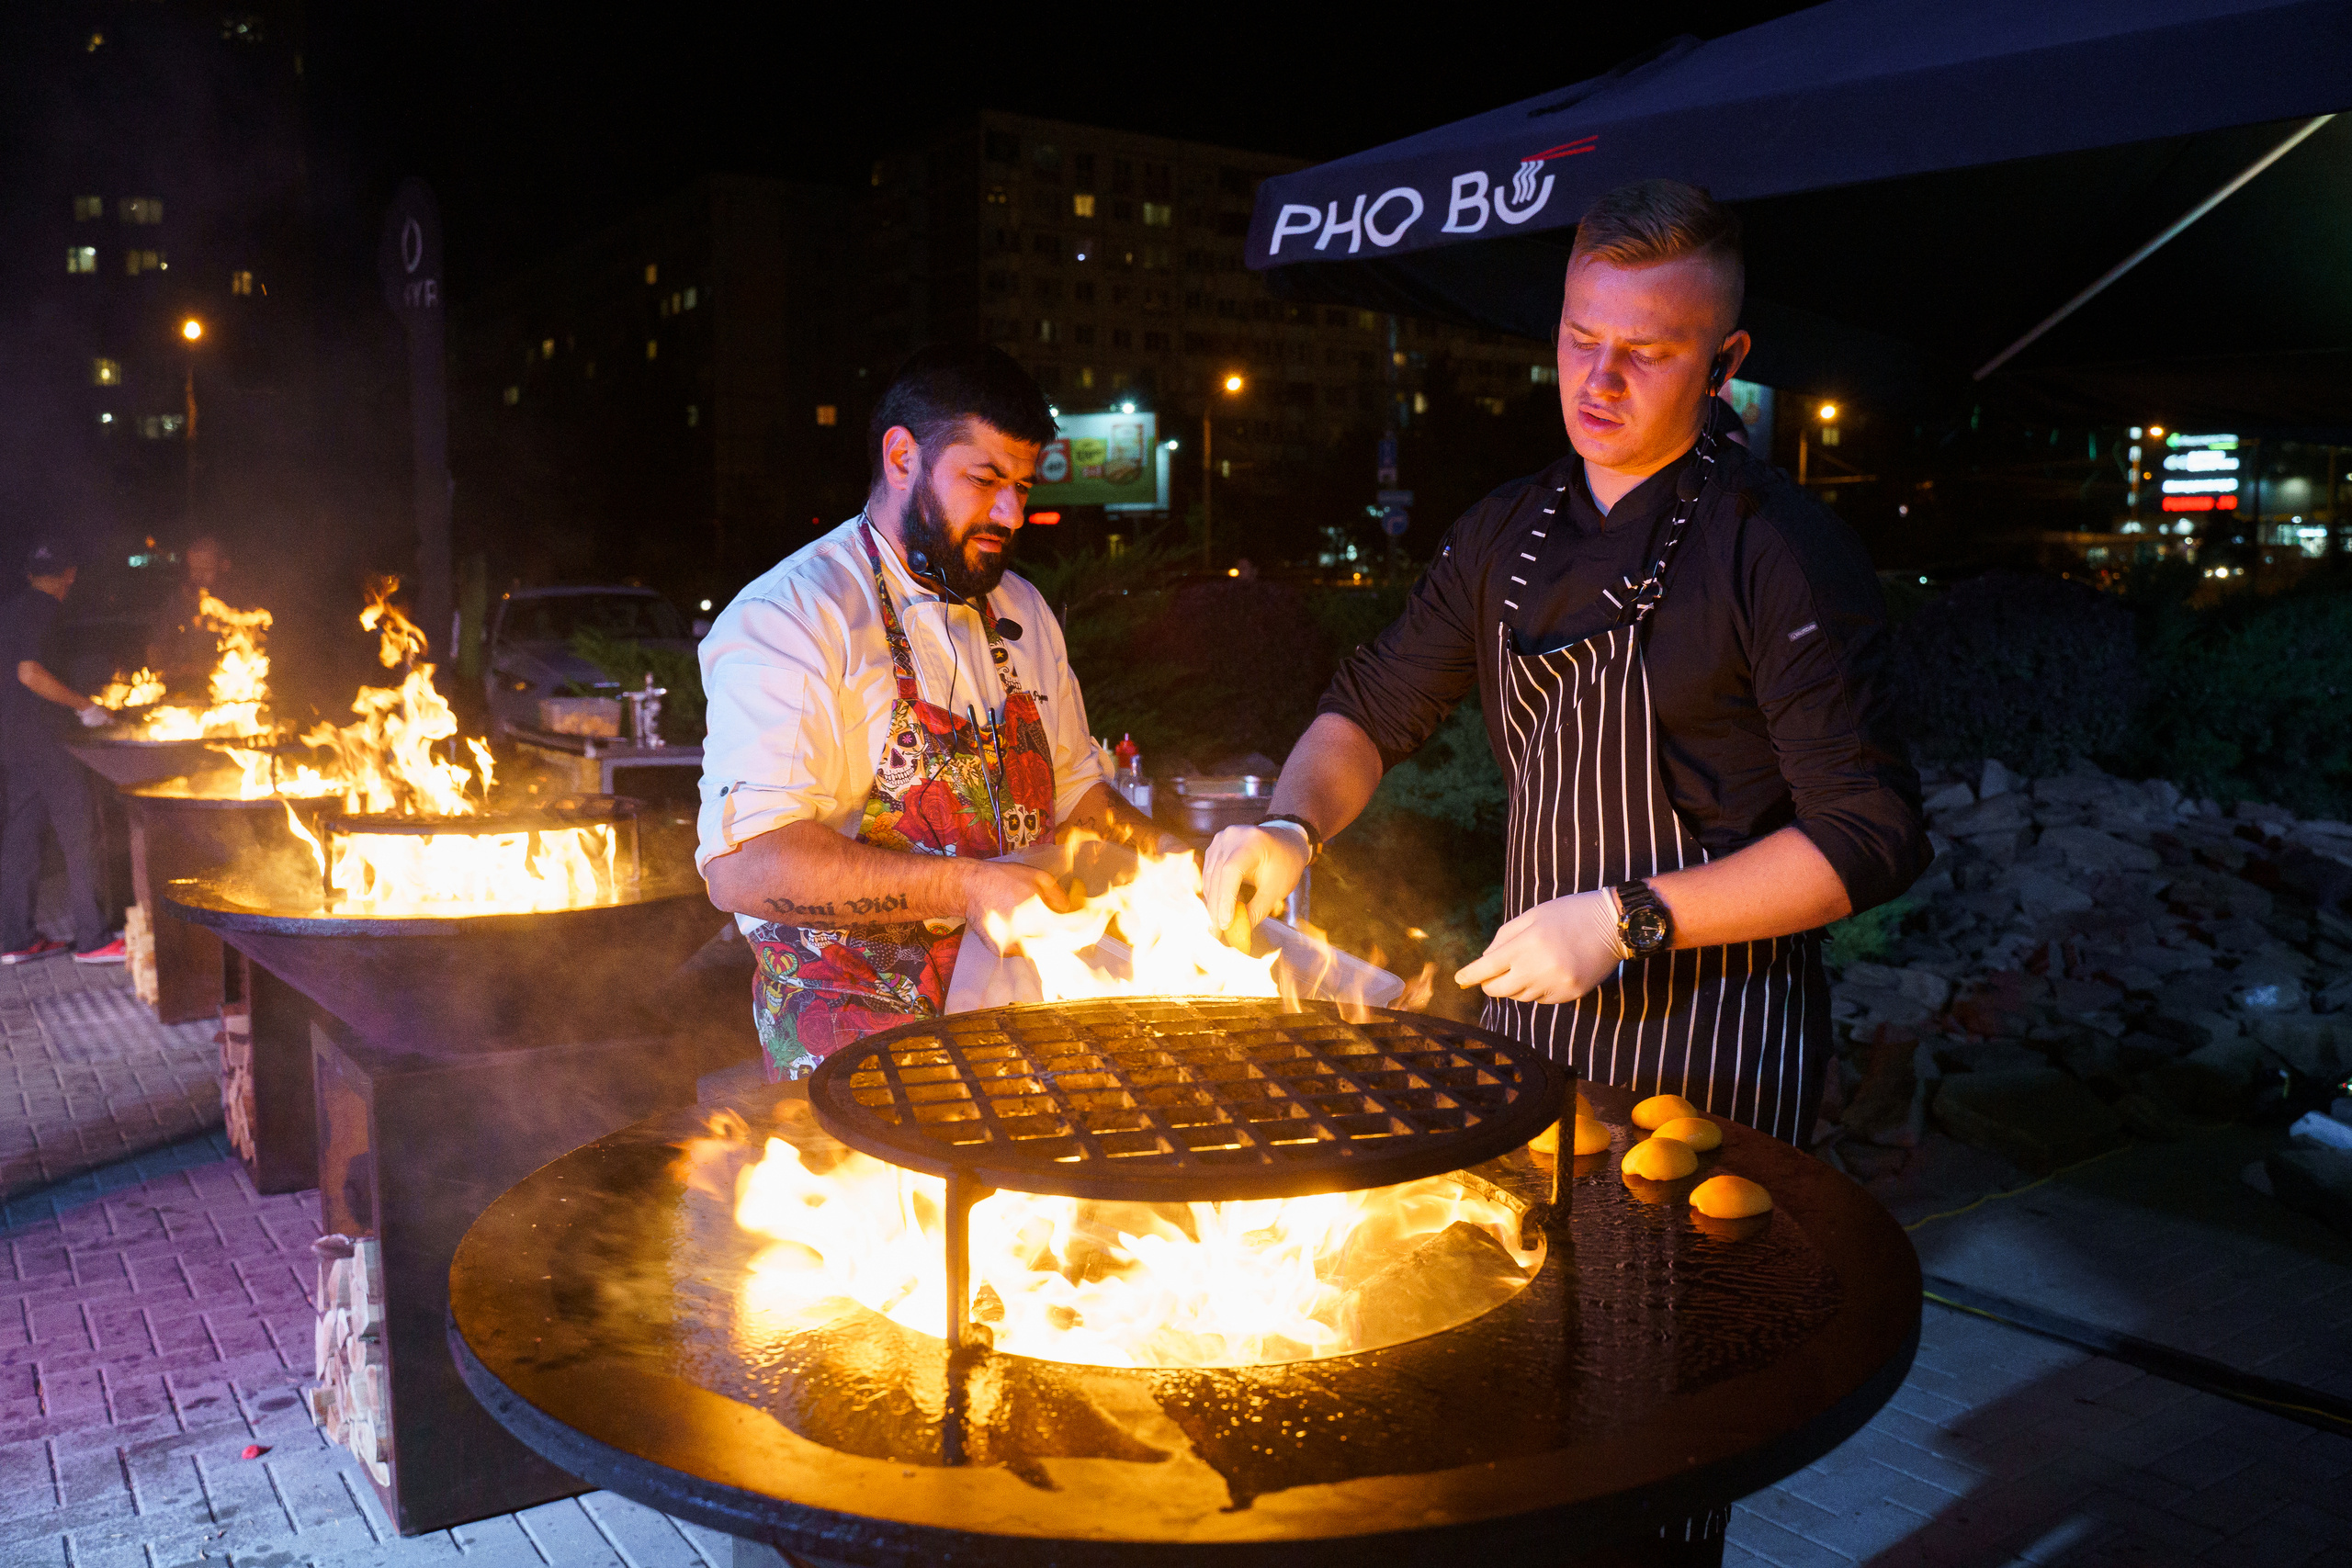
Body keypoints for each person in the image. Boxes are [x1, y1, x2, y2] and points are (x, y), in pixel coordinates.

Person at [1210, 178, 1927, 1151]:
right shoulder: (1504, 529)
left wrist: (1619, 921)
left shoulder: (1781, 551)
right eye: (1580, 338)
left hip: (1717, 1043)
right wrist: (1289, 825)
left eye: (1645, 352)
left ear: (1725, 361)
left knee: (1703, 1286)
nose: (1599, 380)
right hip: (1533, 1029)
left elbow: (1867, 833)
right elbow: (1373, 706)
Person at [697, 344, 1167, 1077]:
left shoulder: (1025, 611)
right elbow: (744, 867)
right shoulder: (794, 615)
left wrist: (1181, 871)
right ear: (901, 457)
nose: (1012, 512)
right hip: (853, 1062)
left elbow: (1079, 796)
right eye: (985, 480)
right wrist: (967, 887)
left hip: (1025, 1038)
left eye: (1023, 485)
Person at [1, 541, 124, 965]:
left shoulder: (11, 609)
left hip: (14, 740)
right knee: (79, 833)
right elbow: (29, 671)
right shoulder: (45, 612)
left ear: (29, 572)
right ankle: (93, 938)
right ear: (69, 574)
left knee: (20, 837)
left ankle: (15, 939)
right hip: (48, 739)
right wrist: (85, 705)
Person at [144, 533, 229, 692]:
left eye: (206, 570)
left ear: (224, 566)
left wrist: (204, 668)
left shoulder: (239, 606)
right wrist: (169, 668)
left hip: (228, 689)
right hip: (181, 690)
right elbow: (157, 644)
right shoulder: (178, 601)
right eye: (194, 569)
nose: (199, 576)